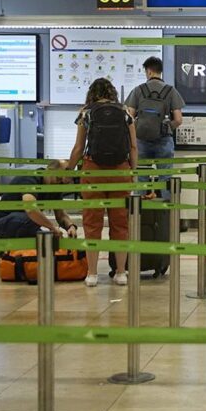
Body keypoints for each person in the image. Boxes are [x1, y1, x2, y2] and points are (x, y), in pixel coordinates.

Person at [67, 78, 137, 287]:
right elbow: (133, 147)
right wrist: (131, 172)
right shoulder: (125, 112)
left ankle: (92, 274)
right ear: (112, 92)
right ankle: (121, 273)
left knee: (92, 222)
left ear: (92, 93)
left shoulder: (86, 112)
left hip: (93, 170)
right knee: (120, 223)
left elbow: (79, 147)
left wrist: (69, 169)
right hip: (120, 170)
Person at [124, 56, 185, 199]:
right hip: (164, 141)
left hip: (141, 141)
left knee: (141, 179)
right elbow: (178, 120)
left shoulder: (138, 90)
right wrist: (166, 127)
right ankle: (167, 218)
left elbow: (129, 117)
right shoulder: (171, 91)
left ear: (149, 72)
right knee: (165, 179)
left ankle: (139, 218)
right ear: (160, 71)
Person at [0, 161, 78, 240]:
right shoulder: (30, 179)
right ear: (49, 170)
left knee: (47, 239)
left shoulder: (55, 187)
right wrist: (52, 227)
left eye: (62, 182)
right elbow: (31, 210)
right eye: (58, 179)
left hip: (21, 221)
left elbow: (61, 215)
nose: (59, 183)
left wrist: (70, 226)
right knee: (33, 219)